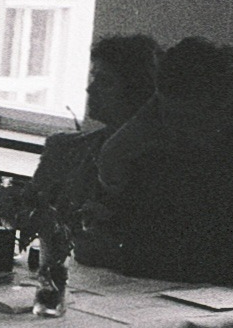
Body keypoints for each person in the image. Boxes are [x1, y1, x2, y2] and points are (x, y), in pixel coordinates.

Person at [78, 37, 233, 282]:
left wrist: (121, 256)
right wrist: (112, 223)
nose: (174, 129)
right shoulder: (165, 132)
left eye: (188, 119)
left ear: (231, 105)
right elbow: (156, 224)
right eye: (166, 114)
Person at [26, 34, 158, 223]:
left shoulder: (156, 163)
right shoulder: (64, 148)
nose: (90, 89)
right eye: (94, 78)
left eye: (105, 82)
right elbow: (29, 212)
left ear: (136, 92)